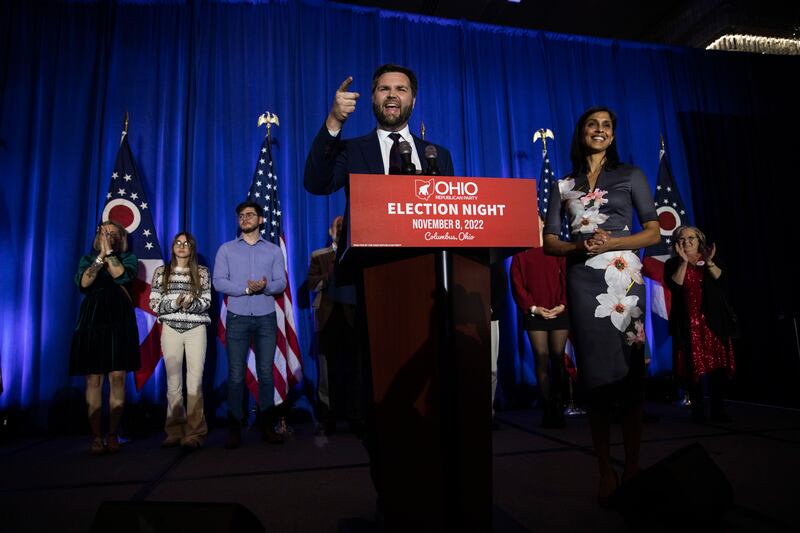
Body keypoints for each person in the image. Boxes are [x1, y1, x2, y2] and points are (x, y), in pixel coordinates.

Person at [543, 107, 660, 506]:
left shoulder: (631, 175)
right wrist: (578, 246)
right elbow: (549, 242)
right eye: (593, 124)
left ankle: (632, 466)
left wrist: (614, 243)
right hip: (582, 282)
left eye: (607, 126)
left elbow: (653, 232)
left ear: (612, 135)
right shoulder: (563, 184)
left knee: (630, 375)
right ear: (581, 132)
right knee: (594, 380)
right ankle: (605, 470)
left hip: (624, 280)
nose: (600, 130)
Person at [304, 63, 454, 271]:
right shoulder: (352, 150)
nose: (392, 95)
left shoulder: (437, 156)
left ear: (413, 101)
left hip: (426, 272)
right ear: (373, 98)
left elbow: (448, 220)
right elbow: (316, 183)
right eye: (384, 89)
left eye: (401, 89)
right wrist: (334, 120)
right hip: (363, 273)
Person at [213, 201, 287, 449]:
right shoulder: (226, 249)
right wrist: (245, 290)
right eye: (241, 215)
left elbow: (281, 283)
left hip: (266, 317)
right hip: (237, 317)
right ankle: (235, 429)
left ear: (261, 220)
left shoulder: (273, 250)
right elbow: (219, 281)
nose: (245, 218)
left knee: (266, 373)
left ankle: (267, 427)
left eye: (250, 215)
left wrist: (265, 287)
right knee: (236, 374)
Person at [70, 220, 140, 455]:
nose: (108, 236)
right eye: (104, 233)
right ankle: (95, 436)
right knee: (93, 379)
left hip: (119, 321)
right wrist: (100, 258)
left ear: (120, 238)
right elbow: (84, 282)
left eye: (113, 233)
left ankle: (112, 433)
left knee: (118, 378)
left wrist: (109, 254)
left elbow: (122, 276)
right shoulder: (87, 259)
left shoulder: (129, 258)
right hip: (92, 322)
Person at [664, 225, 736, 423]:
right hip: (687, 324)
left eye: (691, 238)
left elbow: (721, 280)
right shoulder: (672, 264)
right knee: (691, 367)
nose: (686, 242)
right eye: (681, 239)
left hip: (712, 322)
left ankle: (718, 409)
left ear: (699, 241)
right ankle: (698, 410)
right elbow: (675, 285)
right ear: (676, 244)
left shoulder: (711, 259)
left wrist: (710, 262)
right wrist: (684, 262)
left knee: (717, 366)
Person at [149, 232, 211, 449]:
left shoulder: (202, 272)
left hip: (196, 330)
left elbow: (206, 302)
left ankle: (194, 433)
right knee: (173, 383)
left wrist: (190, 304)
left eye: (186, 243)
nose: (182, 246)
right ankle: (174, 430)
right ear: (173, 247)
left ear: (192, 248)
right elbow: (154, 303)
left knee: (195, 382)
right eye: (178, 242)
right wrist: (175, 304)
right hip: (171, 330)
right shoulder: (161, 272)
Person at [510, 217, 569, 428]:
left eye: (536, 219)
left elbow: (567, 279)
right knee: (541, 358)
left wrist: (562, 305)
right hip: (535, 313)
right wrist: (533, 308)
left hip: (559, 311)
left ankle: (559, 404)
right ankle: (548, 407)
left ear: (544, 223)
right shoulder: (520, 254)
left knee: (558, 357)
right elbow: (517, 284)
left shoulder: (557, 250)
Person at [308, 215, 361, 435]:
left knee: (353, 369)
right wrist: (327, 277)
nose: (340, 230)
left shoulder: (356, 253)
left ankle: (355, 415)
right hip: (327, 319)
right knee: (326, 372)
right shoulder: (319, 255)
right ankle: (327, 417)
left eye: (343, 227)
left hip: (351, 318)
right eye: (337, 227)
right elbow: (311, 283)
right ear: (331, 231)